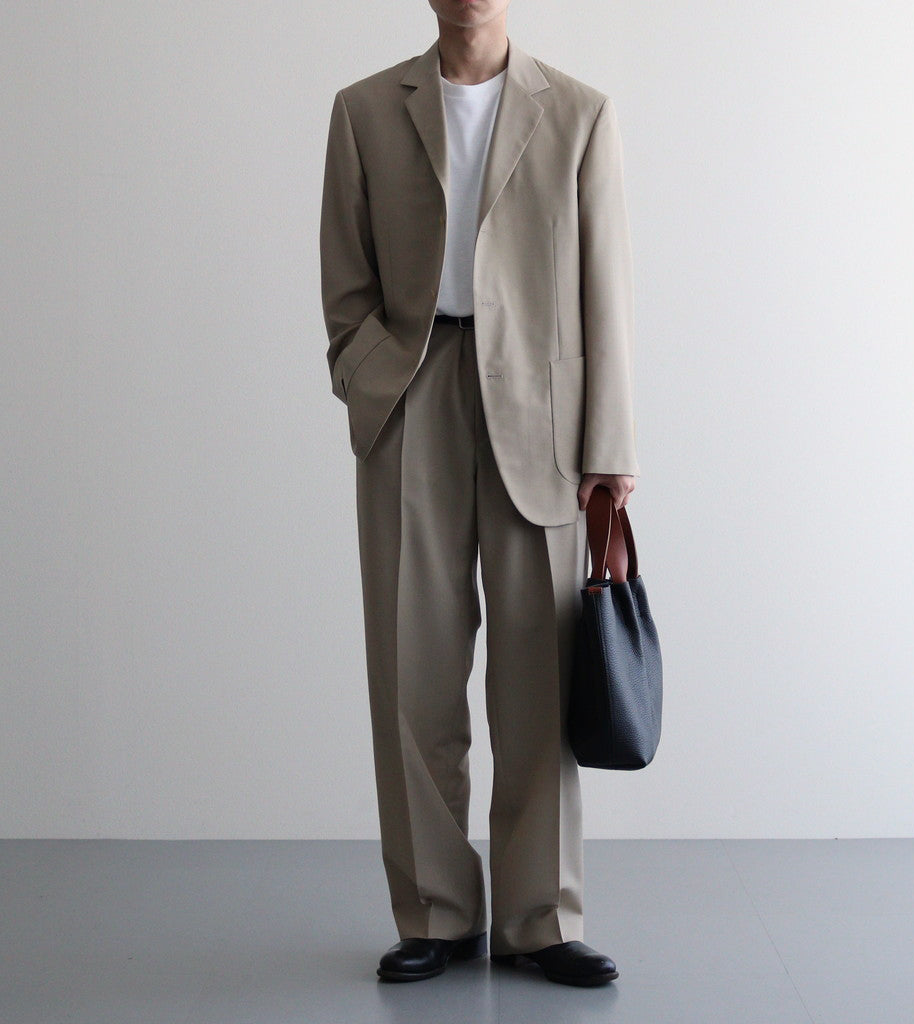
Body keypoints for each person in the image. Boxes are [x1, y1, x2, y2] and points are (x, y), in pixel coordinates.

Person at [320, 0, 639, 987]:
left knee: (540, 675)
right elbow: (344, 276)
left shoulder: (577, 111)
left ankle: (540, 918)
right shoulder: (364, 109)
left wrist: (609, 443)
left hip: (541, 415)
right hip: (410, 401)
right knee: (411, 667)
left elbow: (606, 286)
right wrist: (369, 378)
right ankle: (435, 911)